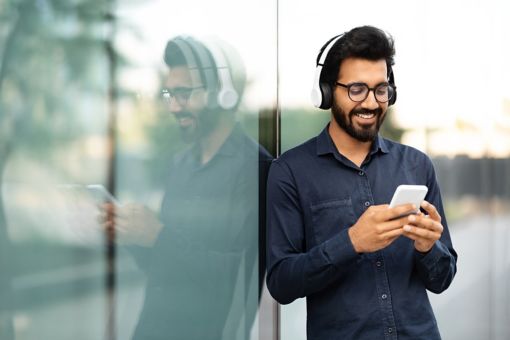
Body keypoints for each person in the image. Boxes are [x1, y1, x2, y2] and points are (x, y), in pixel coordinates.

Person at [266, 25, 457, 340]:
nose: (371, 103)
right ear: (327, 92)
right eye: (356, 89)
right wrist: (351, 242)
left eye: (380, 89)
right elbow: (282, 283)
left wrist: (428, 248)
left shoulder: (416, 165)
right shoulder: (290, 171)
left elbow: (442, 278)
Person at [107, 36, 272, 339]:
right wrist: (132, 234)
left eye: (183, 94)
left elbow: (237, 279)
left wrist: (158, 236)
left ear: (221, 94)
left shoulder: (255, 169)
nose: (173, 106)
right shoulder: (181, 163)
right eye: (170, 93)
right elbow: (163, 263)